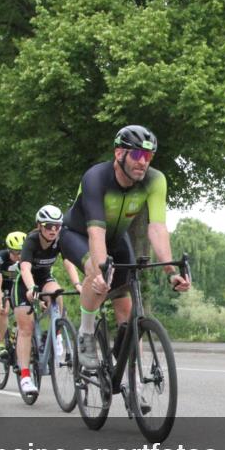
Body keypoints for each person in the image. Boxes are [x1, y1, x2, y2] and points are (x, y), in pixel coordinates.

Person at [59, 125, 190, 410]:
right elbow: (95, 233)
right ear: (119, 153)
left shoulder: (155, 180)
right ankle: (86, 334)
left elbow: (157, 228)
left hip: (117, 238)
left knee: (128, 312)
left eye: (149, 155)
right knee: (98, 274)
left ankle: (134, 385)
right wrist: (100, 269)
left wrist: (171, 272)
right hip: (78, 234)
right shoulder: (96, 177)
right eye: (138, 154)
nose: (144, 161)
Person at [12, 205, 81, 396]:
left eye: (57, 226)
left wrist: (77, 284)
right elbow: (25, 268)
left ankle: (57, 333)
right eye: (48, 225)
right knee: (26, 328)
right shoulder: (31, 241)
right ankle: (25, 376)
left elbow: (68, 262)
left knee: (57, 293)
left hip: (44, 278)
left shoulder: (59, 240)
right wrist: (31, 288)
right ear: (39, 226)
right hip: (24, 282)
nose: (53, 230)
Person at [0, 231, 26, 358]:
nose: (19, 256)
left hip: (13, 284)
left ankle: (15, 332)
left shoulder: (27, 259)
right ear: (9, 250)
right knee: (4, 308)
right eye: (16, 252)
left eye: (22, 252)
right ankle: (0, 345)